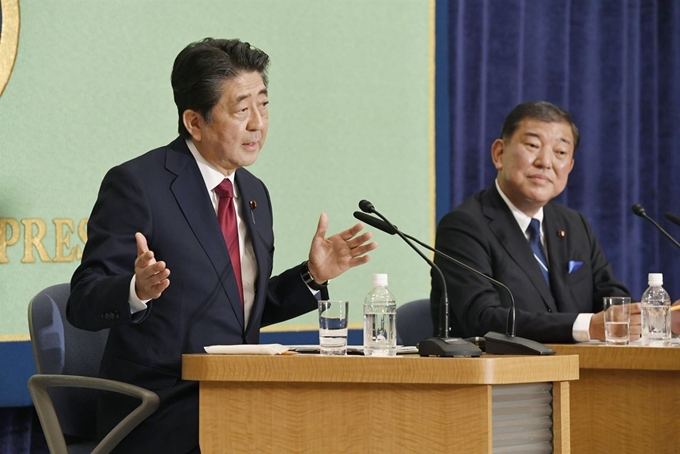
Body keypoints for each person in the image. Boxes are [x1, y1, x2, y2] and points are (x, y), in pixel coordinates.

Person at [66, 38, 377, 454]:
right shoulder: (138, 185)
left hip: (235, 393)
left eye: (263, 105)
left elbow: (236, 312)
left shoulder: (253, 193)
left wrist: (312, 275)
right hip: (159, 405)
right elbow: (83, 301)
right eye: (241, 109)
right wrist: (136, 290)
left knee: (335, 425)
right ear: (195, 122)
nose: (258, 124)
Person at [430, 101, 641, 344]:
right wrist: (586, 327)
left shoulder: (574, 224)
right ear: (499, 154)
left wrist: (651, 318)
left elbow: (611, 297)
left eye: (560, 152)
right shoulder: (464, 227)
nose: (545, 162)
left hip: (580, 373)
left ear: (570, 167)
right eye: (532, 145)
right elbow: (482, 318)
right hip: (502, 376)